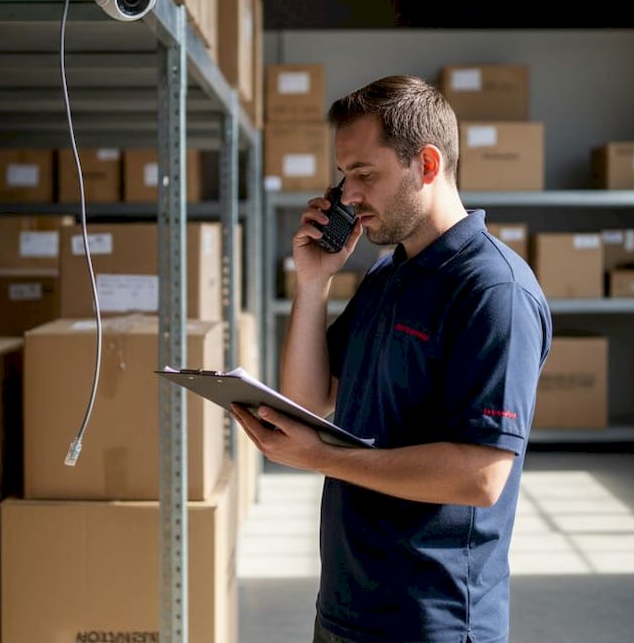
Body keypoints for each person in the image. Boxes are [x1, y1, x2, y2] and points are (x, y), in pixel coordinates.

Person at [231, 74, 553, 643]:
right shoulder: (388, 275)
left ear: (426, 165)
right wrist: (313, 284)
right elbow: (312, 398)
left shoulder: (494, 292)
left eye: (364, 174)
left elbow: (481, 477)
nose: (347, 196)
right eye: (343, 176)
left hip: (432, 620)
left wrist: (321, 459)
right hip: (347, 606)